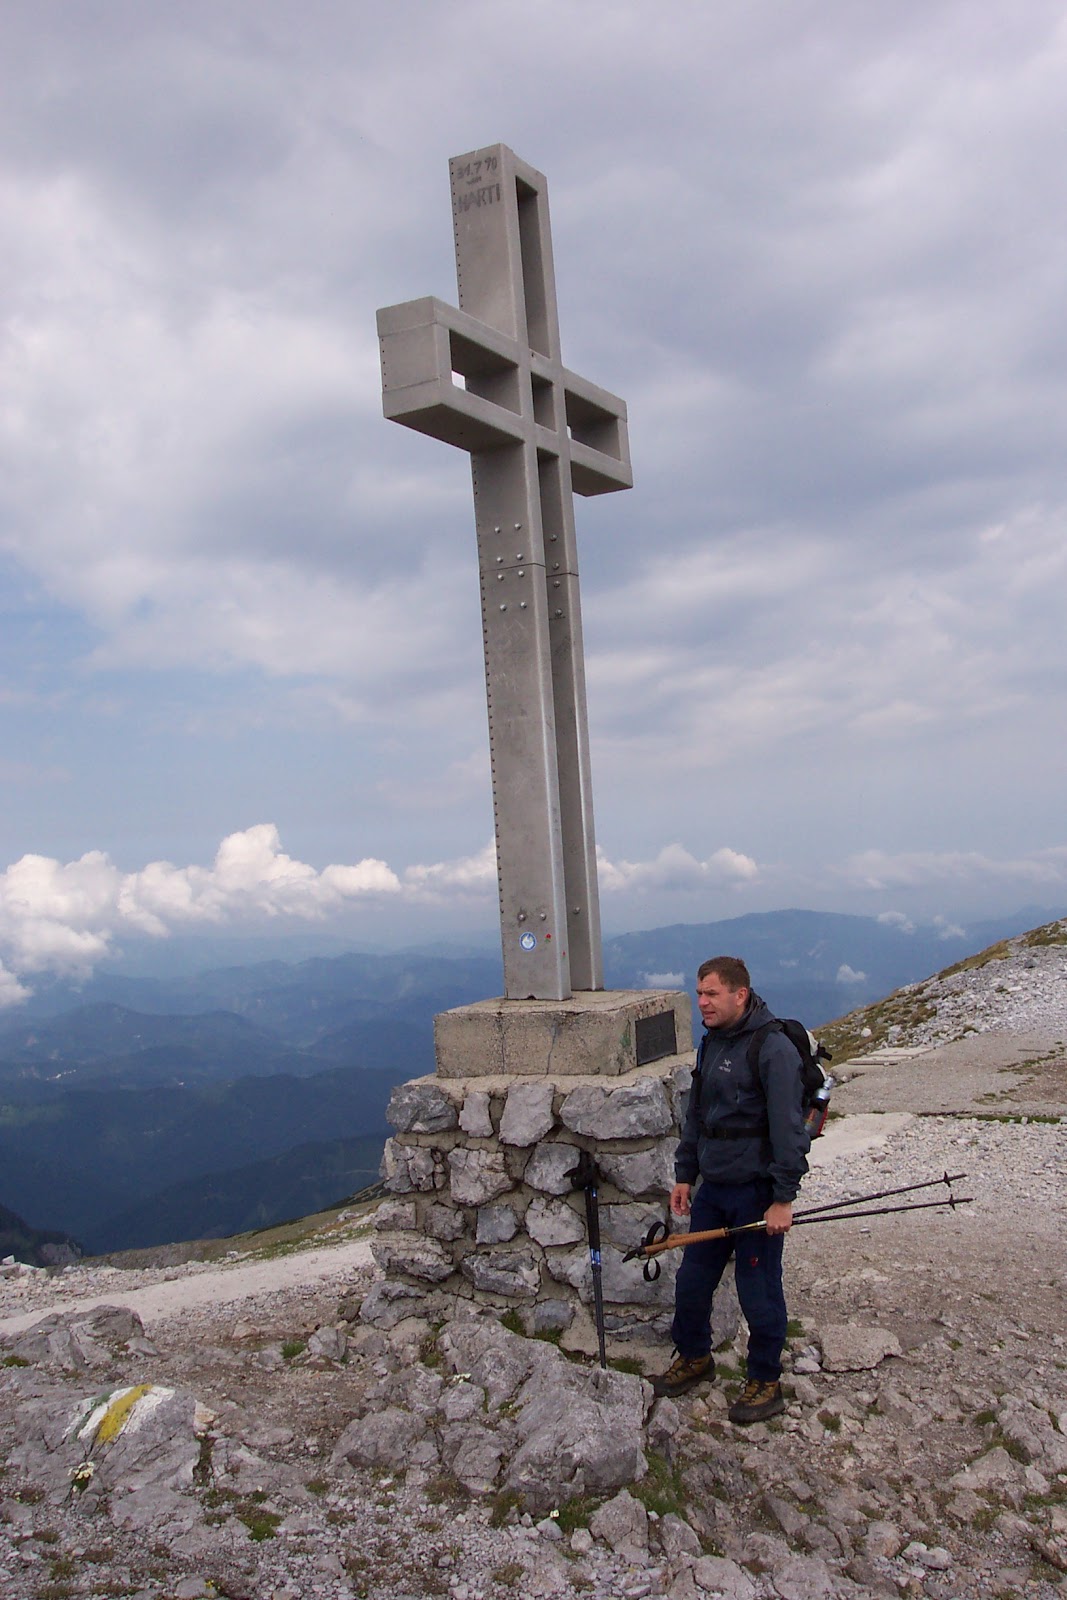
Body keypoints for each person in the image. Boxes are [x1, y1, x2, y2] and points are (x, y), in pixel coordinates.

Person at [652, 955, 809, 1424]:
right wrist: (685, 1174)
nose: (701, 1002)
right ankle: (696, 1357)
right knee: (692, 1281)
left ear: (740, 995)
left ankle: (765, 1379)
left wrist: (783, 1198)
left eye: (711, 994)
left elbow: (788, 1128)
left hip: (756, 1192)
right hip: (713, 1188)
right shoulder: (712, 1043)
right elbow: (697, 1114)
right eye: (699, 993)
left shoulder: (773, 1048)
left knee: (757, 1288)